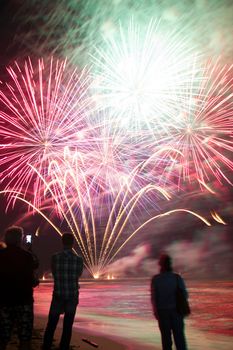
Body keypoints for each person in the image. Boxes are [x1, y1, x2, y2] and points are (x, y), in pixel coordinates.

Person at [42, 232, 83, 350]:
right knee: (68, 325)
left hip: (58, 294)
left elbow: (54, 273)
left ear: (62, 242)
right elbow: (78, 274)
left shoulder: (55, 257)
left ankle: (46, 345)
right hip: (72, 295)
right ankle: (64, 346)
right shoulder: (78, 259)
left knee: (51, 323)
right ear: (73, 243)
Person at [0, 226, 39, 350]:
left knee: (2, 337)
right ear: (20, 240)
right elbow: (33, 280)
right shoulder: (27, 256)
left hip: (4, 302)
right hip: (24, 301)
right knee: (25, 338)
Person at [151, 253, 188, 350]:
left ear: (160, 265)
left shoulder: (156, 279)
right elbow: (184, 294)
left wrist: (156, 312)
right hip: (177, 312)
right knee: (180, 340)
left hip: (162, 313)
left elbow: (154, 298)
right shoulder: (177, 278)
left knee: (166, 341)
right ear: (170, 264)